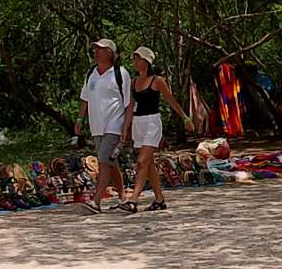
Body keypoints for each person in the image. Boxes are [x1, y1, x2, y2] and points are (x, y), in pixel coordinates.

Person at [118, 47, 194, 213]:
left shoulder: (157, 80)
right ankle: (159, 199)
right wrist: (125, 128)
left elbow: (171, 100)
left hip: (152, 122)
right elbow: (130, 107)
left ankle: (134, 199)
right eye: (134, 59)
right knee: (149, 163)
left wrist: (185, 118)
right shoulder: (133, 82)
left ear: (146, 61)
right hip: (138, 123)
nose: (135, 62)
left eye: (138, 59)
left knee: (142, 161)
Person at [75, 38, 132, 214]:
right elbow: (85, 98)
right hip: (97, 126)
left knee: (103, 160)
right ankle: (122, 197)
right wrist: (79, 119)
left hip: (114, 123)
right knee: (110, 162)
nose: (97, 52)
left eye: (101, 49)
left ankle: (97, 201)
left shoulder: (120, 73)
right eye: (95, 49)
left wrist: (125, 129)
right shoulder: (91, 73)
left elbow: (129, 103)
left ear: (110, 53)